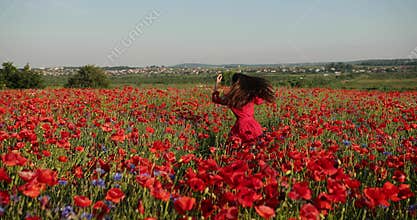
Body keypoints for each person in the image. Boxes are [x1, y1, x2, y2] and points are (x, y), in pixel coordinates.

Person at [212, 73, 275, 143]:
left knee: (237, 147)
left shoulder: (232, 98)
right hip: (252, 125)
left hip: (240, 126)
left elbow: (215, 99)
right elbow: (259, 101)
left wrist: (217, 84)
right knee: (255, 145)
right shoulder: (250, 96)